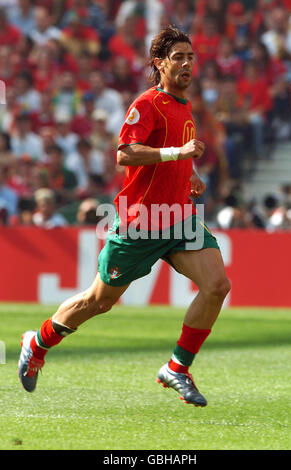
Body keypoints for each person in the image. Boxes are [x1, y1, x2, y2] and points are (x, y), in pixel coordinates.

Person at [18, 26, 231, 407]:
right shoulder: (146, 104)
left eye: (190, 57)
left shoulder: (184, 106)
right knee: (98, 302)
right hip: (140, 223)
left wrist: (190, 173)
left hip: (178, 218)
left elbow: (174, 155)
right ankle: (37, 342)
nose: (186, 64)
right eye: (178, 57)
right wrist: (176, 154)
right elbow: (125, 154)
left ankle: (177, 367)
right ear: (159, 64)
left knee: (217, 285)